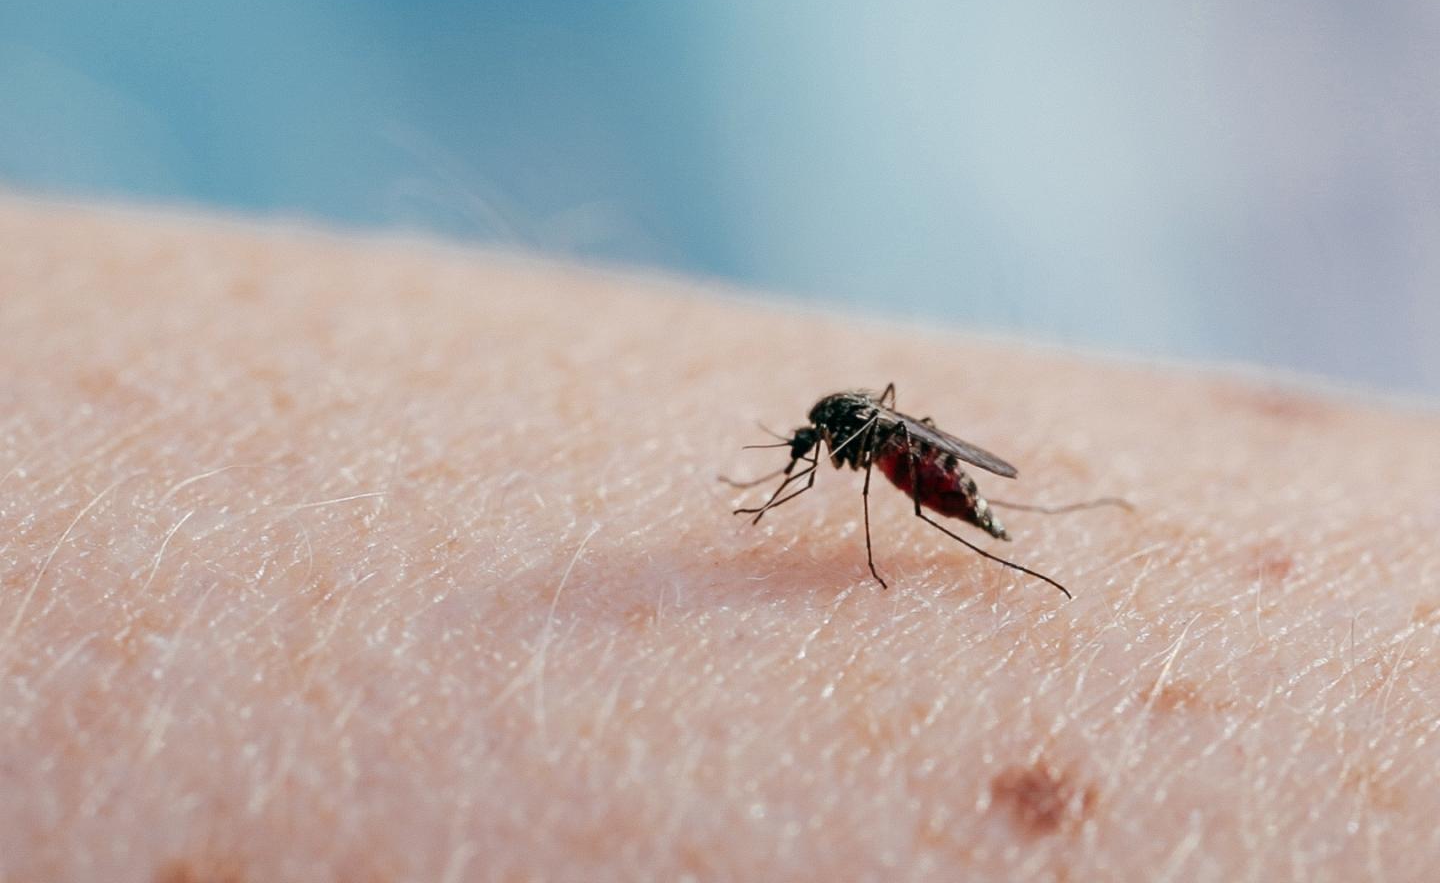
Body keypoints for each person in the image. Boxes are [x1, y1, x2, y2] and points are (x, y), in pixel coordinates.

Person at [2, 194, 1435, 881]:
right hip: (924, 450)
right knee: (905, 489)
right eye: (834, 447)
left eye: (822, 448)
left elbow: (878, 442)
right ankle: (1010, 529)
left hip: (947, 475)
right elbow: (852, 436)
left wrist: (909, 499)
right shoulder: (850, 428)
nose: (826, 456)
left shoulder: (877, 446)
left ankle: (1016, 538)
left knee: (934, 504)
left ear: (844, 434)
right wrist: (811, 486)